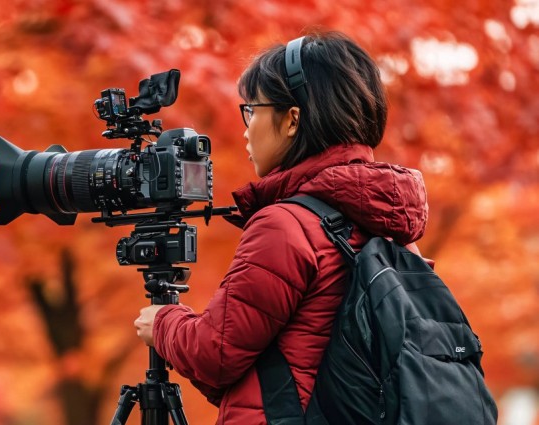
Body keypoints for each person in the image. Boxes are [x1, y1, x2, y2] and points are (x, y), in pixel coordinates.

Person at [133, 31, 429, 425]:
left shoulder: (286, 225)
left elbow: (215, 354)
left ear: (292, 120)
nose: (245, 129)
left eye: (252, 110)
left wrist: (163, 322)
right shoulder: (389, 230)